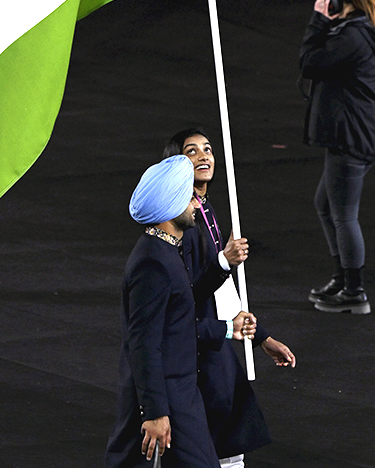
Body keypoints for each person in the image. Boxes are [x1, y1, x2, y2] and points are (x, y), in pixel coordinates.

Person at [105, 154, 252, 467]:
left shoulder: (165, 252)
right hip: (169, 401)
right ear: (169, 206)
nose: (196, 205)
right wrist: (156, 411)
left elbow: (181, 308)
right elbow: (143, 343)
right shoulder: (152, 264)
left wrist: (221, 265)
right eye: (188, 198)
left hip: (181, 396)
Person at [163, 129, 296, 468]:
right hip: (199, 350)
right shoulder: (181, 221)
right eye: (192, 151)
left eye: (207, 149)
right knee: (207, 448)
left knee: (230, 444)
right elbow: (184, 295)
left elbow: (223, 287)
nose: (204, 156)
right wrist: (224, 261)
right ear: (176, 162)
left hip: (218, 344)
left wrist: (260, 336)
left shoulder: (205, 209)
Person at [299, 0, 375, 315]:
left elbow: (309, 62)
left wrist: (317, 18)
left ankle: (355, 292)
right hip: (360, 133)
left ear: (340, 0)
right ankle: (343, 279)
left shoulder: (352, 38)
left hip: (351, 137)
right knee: (326, 205)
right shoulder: (364, 31)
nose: (324, 2)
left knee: (343, 215)